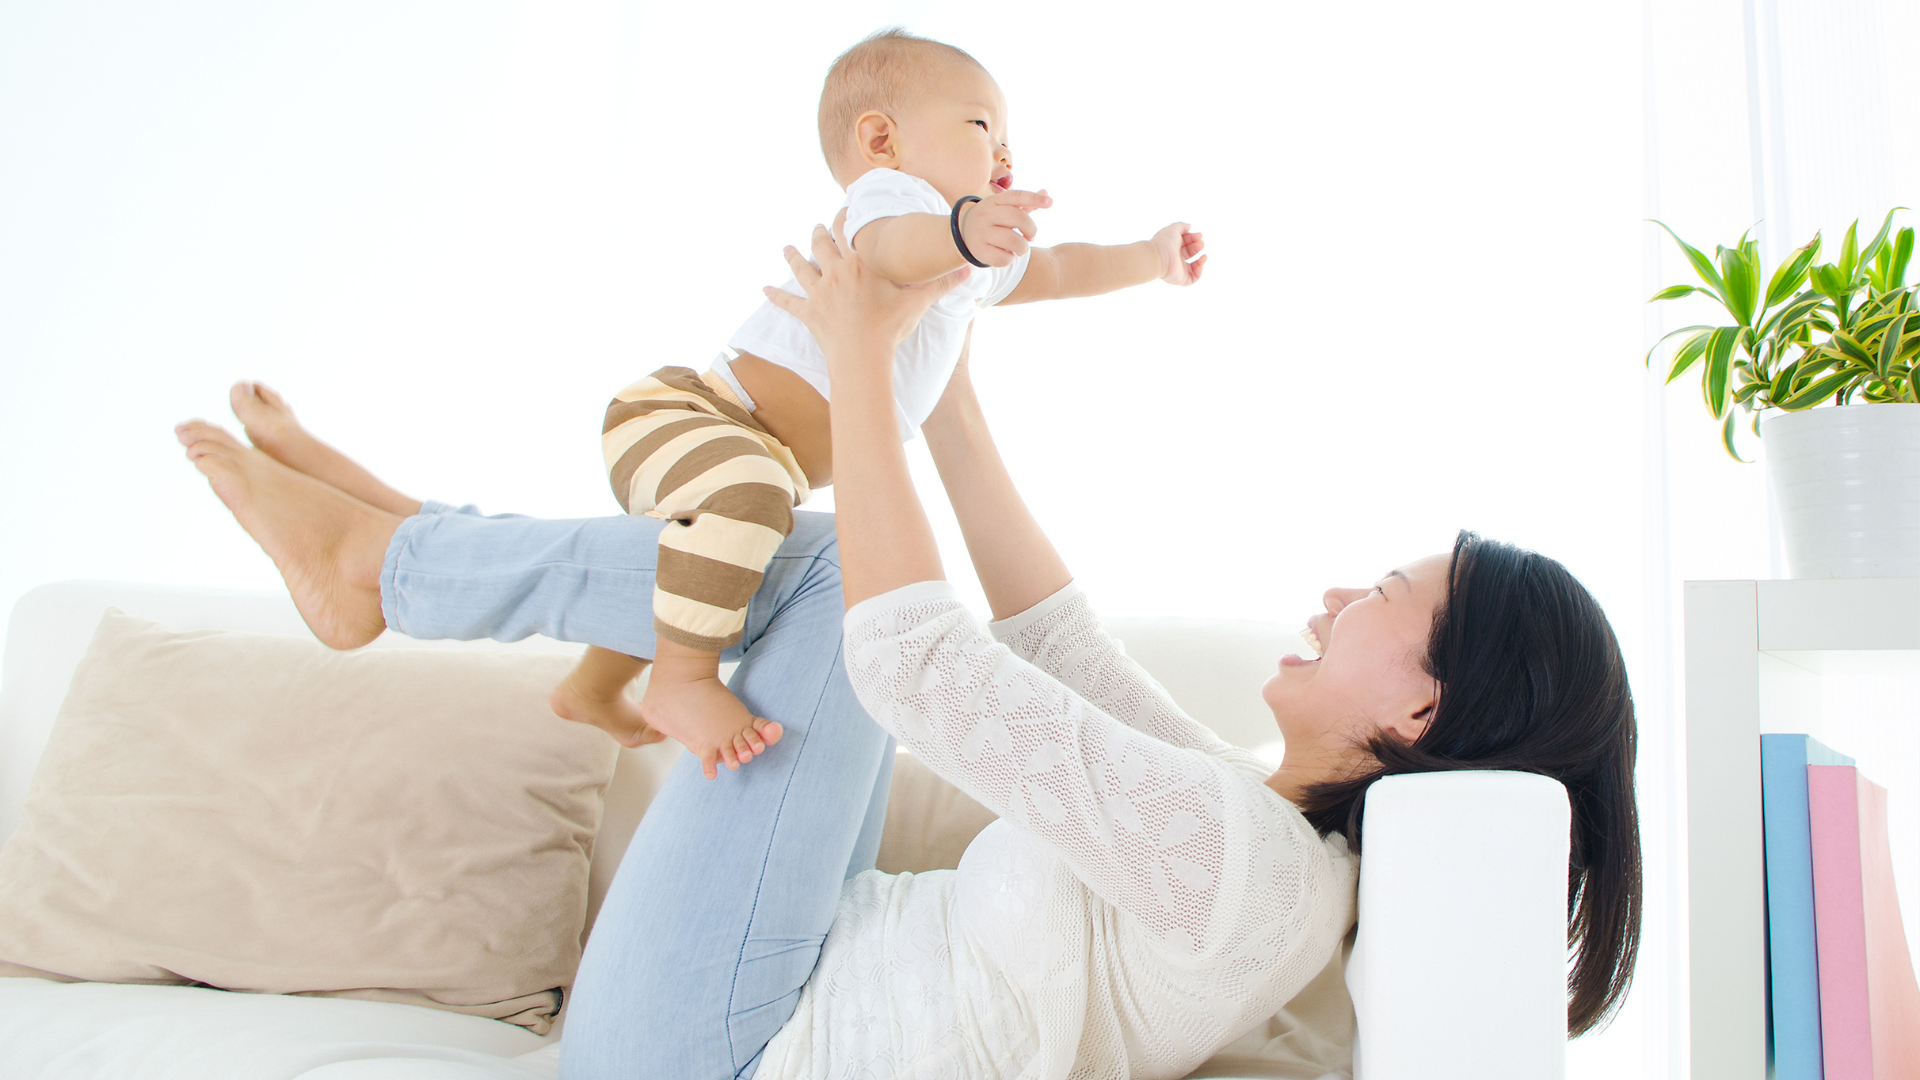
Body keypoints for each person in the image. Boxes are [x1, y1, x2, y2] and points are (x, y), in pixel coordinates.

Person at [175, 230, 1639, 1080]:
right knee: (796, 564)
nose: (1338, 590)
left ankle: (389, 563)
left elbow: (919, 665)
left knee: (810, 569)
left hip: (716, 1047)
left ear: (1421, 702)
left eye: (1384, 592)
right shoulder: (1271, 851)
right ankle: (407, 542)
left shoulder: (1238, 867)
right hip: (757, 990)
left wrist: (861, 355)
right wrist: (944, 378)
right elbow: (1054, 644)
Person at [556, 28, 1206, 780]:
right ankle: (682, 678)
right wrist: (960, 230)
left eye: (1009, 141)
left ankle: (593, 686)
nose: (1004, 155)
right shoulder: (890, 202)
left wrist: (1150, 258)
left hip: (752, 455)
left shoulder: (969, 262)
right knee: (748, 504)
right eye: (981, 126)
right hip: (692, 418)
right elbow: (895, 248)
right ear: (881, 139)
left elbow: (1061, 269)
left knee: (706, 556)